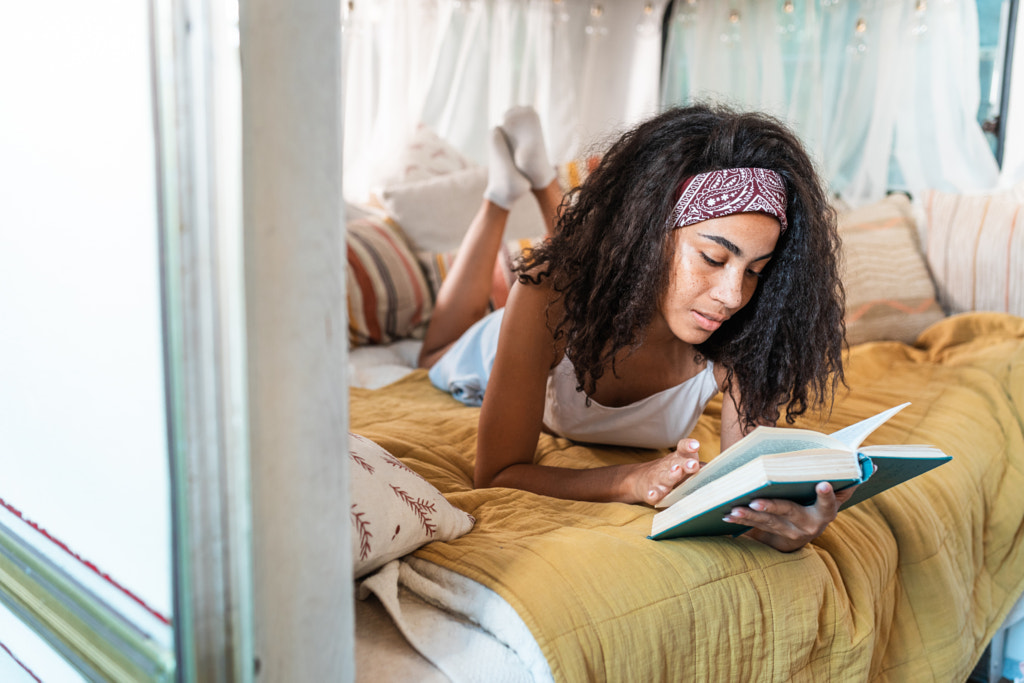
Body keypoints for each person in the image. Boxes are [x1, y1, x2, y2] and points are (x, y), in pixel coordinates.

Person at [418, 103, 849, 552]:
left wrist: (786, 530)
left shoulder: (746, 328)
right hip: (504, 339)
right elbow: (496, 474)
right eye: (714, 258)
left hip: (602, 295)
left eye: (756, 269)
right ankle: (501, 196)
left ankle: (539, 179)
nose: (733, 296)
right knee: (433, 352)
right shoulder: (545, 298)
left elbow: (747, 499)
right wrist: (631, 480)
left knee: (586, 260)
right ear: (650, 235)